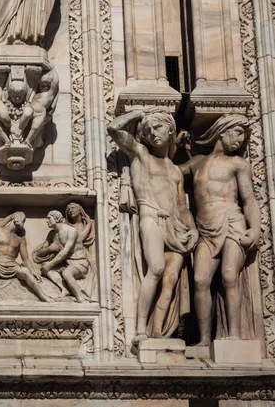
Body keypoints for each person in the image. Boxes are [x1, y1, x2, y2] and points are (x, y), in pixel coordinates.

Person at [108, 110, 198, 343]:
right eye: (147, 131)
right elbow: (114, 129)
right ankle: (139, 331)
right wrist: (138, 114)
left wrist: (193, 229)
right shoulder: (142, 155)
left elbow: (182, 206)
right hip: (151, 216)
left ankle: (157, 331)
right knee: (156, 268)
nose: (152, 133)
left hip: (175, 224)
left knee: (170, 278)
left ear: (171, 130)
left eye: (157, 128)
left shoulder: (175, 170)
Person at [180, 114, 261, 345]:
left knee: (228, 275)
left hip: (232, 223)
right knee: (200, 280)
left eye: (243, 137)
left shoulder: (238, 164)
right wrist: (175, 143)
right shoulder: (196, 162)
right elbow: (171, 172)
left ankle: (233, 334)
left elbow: (249, 200)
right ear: (221, 131)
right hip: (205, 229)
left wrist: (254, 228)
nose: (239, 140)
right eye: (236, 132)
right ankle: (204, 340)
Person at [0, 211, 51, 302]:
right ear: (14, 218)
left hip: (12, 266)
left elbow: (25, 259)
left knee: (25, 271)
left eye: (23, 220)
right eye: (20, 217)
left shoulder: (20, 238)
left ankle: (42, 296)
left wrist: (33, 271)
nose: (22, 221)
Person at [35, 210, 94, 303]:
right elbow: (39, 253)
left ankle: (80, 298)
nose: (47, 221)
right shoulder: (52, 234)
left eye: (49, 218)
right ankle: (65, 289)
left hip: (79, 262)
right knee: (46, 269)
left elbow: (65, 251)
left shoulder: (71, 231)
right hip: (65, 263)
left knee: (67, 273)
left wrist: (50, 264)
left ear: (57, 218)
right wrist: (50, 249)